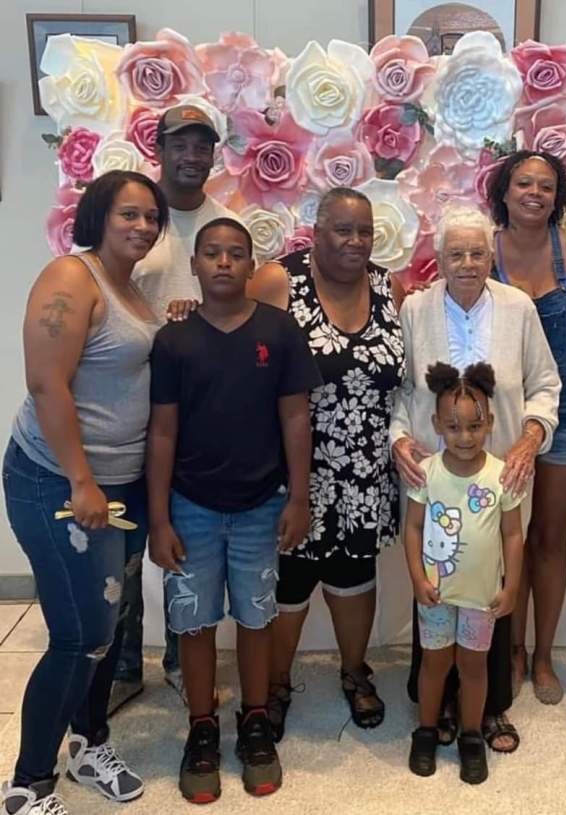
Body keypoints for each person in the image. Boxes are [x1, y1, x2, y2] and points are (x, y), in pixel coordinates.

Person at [1, 171, 169, 815]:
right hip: (58, 481)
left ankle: (89, 742)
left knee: (112, 621)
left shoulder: (134, 288)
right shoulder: (72, 279)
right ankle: (28, 783)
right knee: (78, 634)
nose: (143, 226)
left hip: (118, 483)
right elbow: (47, 384)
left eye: (151, 217)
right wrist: (80, 478)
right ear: (97, 214)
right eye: (129, 213)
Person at [146, 217, 321, 802]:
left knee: (256, 618)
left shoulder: (280, 330)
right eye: (212, 253)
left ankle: (253, 720)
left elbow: (296, 417)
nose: (223, 262)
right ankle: (201, 725)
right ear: (193, 266)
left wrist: (298, 497)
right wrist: (160, 517)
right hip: (190, 507)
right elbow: (163, 432)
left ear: (253, 265)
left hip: (261, 507)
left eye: (236, 254)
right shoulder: (173, 340)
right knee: (194, 622)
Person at [391, 205, 560, 754]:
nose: (468, 263)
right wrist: (399, 440)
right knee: (434, 590)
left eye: (478, 253)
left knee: (491, 593)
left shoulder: (518, 307)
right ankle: (433, 704)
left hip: (498, 480)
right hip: (431, 483)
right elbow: (397, 392)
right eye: (456, 253)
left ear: (493, 256)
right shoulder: (415, 309)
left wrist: (531, 439)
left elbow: (545, 385)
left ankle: (486, 712)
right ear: (438, 259)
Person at [250, 187, 406, 739]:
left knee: (354, 575)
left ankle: (354, 672)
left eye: (364, 231)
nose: (355, 242)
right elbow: (239, 354)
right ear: (316, 232)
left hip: (367, 471)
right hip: (295, 470)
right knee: (289, 582)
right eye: (343, 230)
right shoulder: (278, 281)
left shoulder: (389, 286)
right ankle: (273, 685)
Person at [112, 103, 236, 713]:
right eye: (179, 144)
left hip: (192, 415)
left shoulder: (223, 224)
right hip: (124, 402)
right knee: (124, 541)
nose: (191, 156)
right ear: (158, 147)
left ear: (214, 153)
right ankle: (122, 666)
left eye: (202, 146)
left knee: (183, 542)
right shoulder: (137, 219)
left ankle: (180, 663)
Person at [488, 150, 566, 704]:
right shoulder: (485, 253)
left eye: (547, 186)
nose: (535, 193)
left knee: (547, 541)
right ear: (503, 192)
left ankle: (544, 654)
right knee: (505, 541)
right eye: (524, 183)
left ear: (559, 197)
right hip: (504, 418)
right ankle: (510, 650)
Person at [405, 362, 523, 785]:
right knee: (434, 665)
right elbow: (414, 527)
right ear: (438, 425)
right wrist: (417, 577)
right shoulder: (427, 472)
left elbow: (513, 535)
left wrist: (511, 586)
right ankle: (425, 729)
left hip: (482, 598)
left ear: (489, 423)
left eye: (474, 427)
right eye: (453, 428)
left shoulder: (501, 476)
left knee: (474, 668)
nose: (465, 437)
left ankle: (471, 736)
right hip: (435, 595)